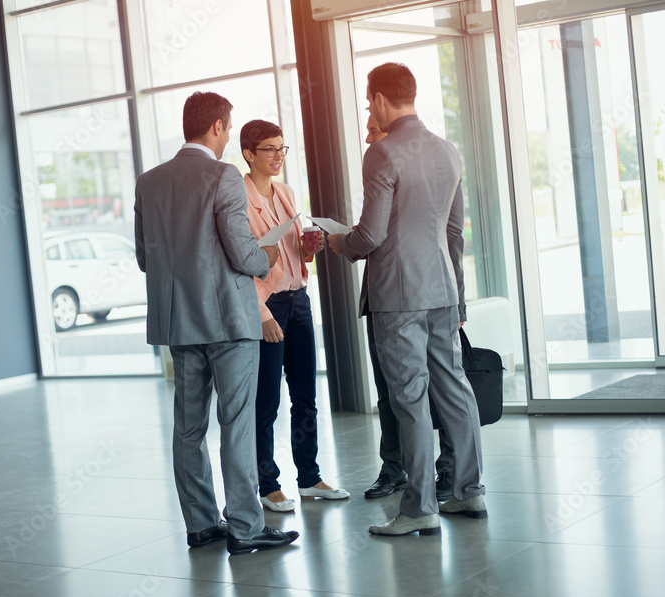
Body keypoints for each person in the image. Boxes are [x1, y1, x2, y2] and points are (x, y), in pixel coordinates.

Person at [134, 92, 299, 555]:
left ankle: (202, 525)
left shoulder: (148, 182)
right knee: (237, 423)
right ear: (219, 128)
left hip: (180, 322)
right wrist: (266, 253)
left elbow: (146, 258)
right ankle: (245, 528)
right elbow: (243, 253)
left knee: (188, 428)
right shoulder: (223, 176)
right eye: (229, 129)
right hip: (229, 320)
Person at [329, 63, 486, 536]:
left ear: (378, 99)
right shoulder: (448, 150)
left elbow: (371, 235)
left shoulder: (382, 153)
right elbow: (455, 232)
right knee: (454, 386)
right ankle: (468, 491)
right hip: (441, 287)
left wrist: (339, 242)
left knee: (410, 398)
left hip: (398, 295)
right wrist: (456, 295)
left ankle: (419, 508)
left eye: (367, 101)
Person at [240, 119, 349, 512]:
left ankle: (309, 478)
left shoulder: (285, 193)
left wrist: (309, 249)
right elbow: (236, 264)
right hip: (268, 307)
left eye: (281, 148)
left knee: (306, 396)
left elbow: (293, 254)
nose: (277, 156)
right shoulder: (237, 197)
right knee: (266, 401)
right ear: (248, 153)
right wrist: (260, 313)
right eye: (268, 149)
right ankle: (267, 484)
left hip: (298, 299)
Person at [359, 115, 456, 503]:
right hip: (389, 295)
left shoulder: (400, 158)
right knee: (392, 391)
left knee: (435, 390)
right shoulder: (427, 159)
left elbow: (452, 234)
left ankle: (441, 476)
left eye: (372, 128)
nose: (368, 137)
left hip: (421, 294)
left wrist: (344, 243)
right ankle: (397, 468)